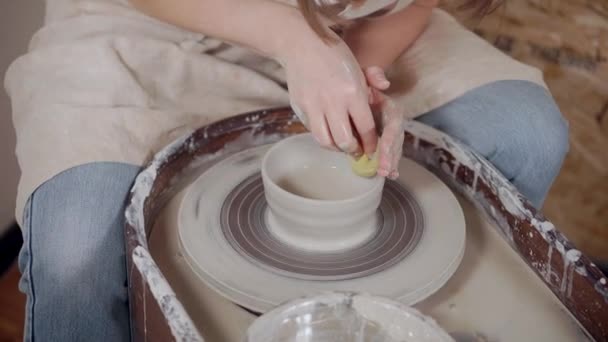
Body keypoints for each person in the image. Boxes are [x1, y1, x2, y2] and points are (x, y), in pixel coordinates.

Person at [4, 0, 568, 340]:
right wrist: (291, 40)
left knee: (523, 132)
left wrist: (358, 71)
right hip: (158, 23)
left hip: (347, 23)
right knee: (75, 251)